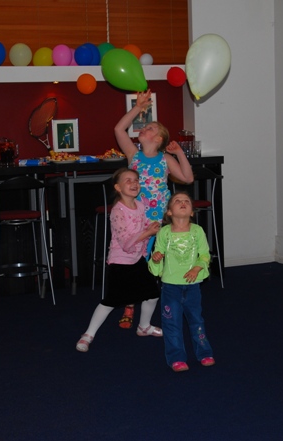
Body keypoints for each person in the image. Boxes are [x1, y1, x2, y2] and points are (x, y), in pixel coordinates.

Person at [114, 89, 194, 328]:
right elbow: (119, 129)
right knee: (135, 261)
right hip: (136, 221)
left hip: (158, 222)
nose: (144, 128)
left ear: (159, 139)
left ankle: (156, 302)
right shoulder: (133, 155)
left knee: (156, 262)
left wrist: (179, 154)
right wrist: (138, 108)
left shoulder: (165, 159)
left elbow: (187, 178)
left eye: (150, 128)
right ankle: (130, 303)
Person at [76, 168, 163, 352]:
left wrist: (151, 228)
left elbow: (142, 229)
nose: (134, 183)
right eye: (128, 181)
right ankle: (88, 335)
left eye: (136, 180)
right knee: (111, 301)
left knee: (152, 294)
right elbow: (125, 243)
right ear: (118, 187)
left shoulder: (140, 205)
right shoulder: (118, 211)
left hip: (137, 259)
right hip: (120, 262)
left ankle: (144, 326)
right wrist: (147, 232)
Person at [148, 191, 214, 372]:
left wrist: (197, 268)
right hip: (170, 287)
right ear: (169, 212)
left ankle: (204, 352)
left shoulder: (197, 231)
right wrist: (156, 259)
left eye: (186, 201)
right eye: (177, 201)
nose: (182, 202)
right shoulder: (164, 232)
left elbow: (205, 255)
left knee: (196, 320)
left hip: (193, 287)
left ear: (192, 212)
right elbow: (157, 255)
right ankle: (176, 358)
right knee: (172, 323)